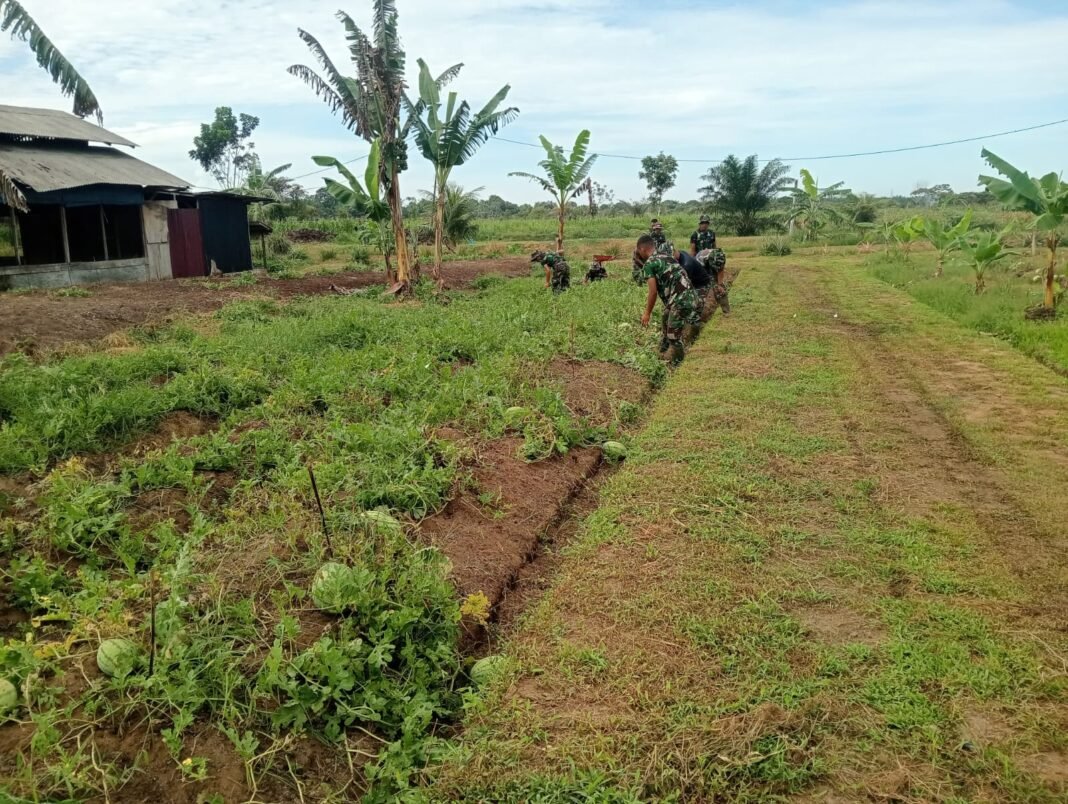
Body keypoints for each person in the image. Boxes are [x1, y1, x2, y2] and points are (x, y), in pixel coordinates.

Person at [635, 234, 703, 365]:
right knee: (666, 315)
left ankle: (676, 364)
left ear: (642, 249)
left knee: (673, 336)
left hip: (680, 301)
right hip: (692, 296)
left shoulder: (649, 264)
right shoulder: (667, 256)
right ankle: (663, 347)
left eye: (638, 251)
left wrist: (647, 313)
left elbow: (653, 292)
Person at [696, 247, 731, 316]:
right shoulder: (700, 259)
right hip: (701, 269)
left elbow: (720, 270)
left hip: (711, 264)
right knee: (701, 291)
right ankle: (697, 316)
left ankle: (726, 311)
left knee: (720, 289)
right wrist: (714, 284)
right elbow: (704, 277)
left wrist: (719, 284)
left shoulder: (720, 257)